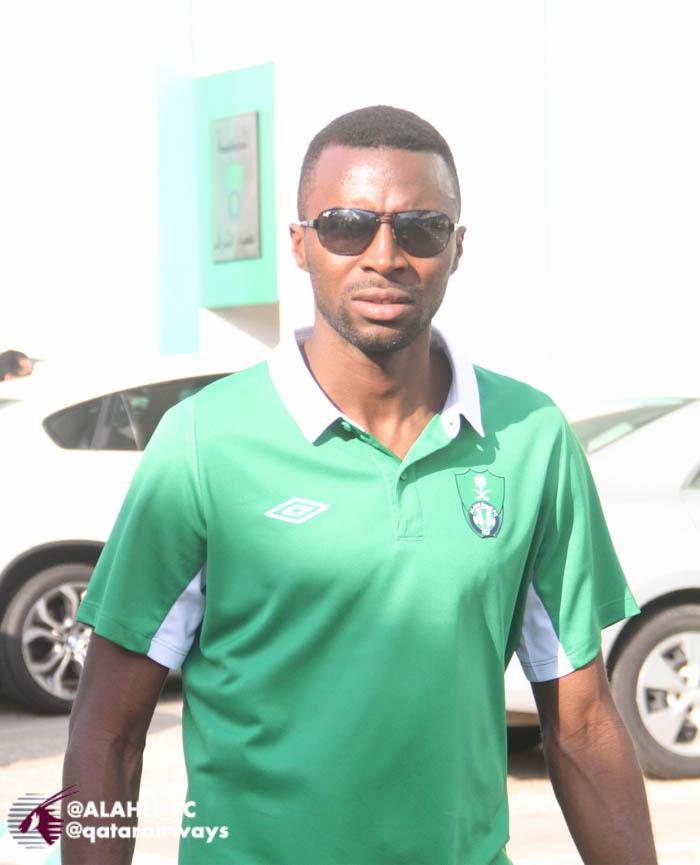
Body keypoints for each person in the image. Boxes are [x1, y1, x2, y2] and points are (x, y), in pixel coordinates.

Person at [62, 105, 658, 865]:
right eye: (347, 226)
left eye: (421, 228)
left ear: (457, 248)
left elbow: (582, 726)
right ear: (300, 244)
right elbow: (107, 733)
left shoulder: (532, 436)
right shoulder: (205, 441)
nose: (386, 255)